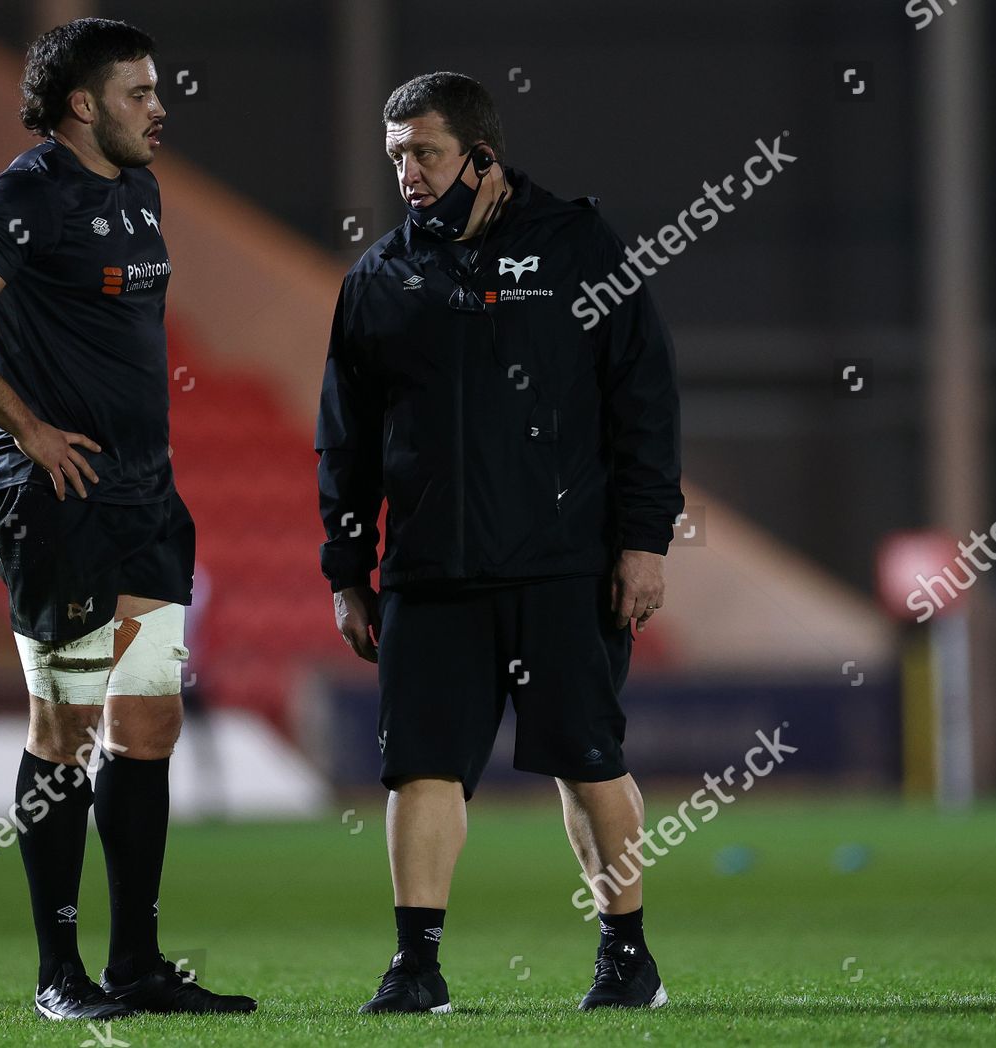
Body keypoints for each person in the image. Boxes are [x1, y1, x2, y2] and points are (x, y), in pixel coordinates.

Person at [0, 18, 254, 1021]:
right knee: (63, 726)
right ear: (81, 105)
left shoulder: (137, 192)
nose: (159, 105)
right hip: (52, 500)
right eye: (139, 92)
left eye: (156, 88)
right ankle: (61, 975)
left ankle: (137, 964)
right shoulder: (29, 194)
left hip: (145, 498)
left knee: (147, 725)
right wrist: (29, 427)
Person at [316, 72, 683, 1014]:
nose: (407, 172)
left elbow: (644, 404)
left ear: (483, 159)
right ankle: (416, 966)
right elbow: (346, 441)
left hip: (566, 562)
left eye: (425, 153)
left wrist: (644, 541)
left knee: (587, 759)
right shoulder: (378, 279)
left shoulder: (580, 247)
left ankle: (626, 954)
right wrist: (348, 568)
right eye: (395, 154)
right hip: (430, 571)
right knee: (421, 765)